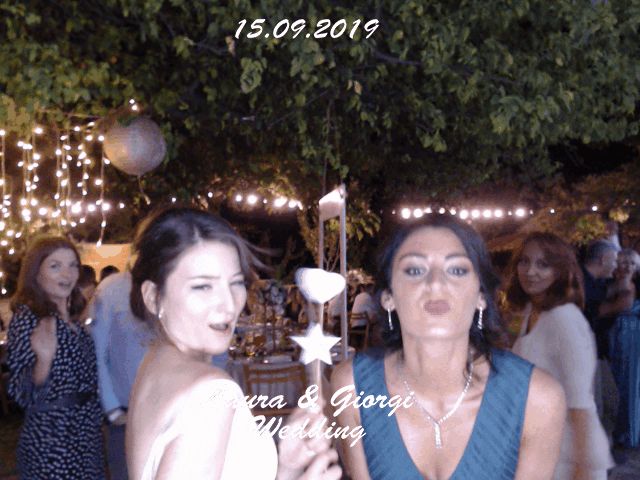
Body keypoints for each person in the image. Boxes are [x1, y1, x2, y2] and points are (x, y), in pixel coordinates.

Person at [330, 216, 565, 480]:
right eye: (414, 270)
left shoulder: (537, 398)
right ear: (388, 297)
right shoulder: (352, 386)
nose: (436, 283)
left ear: (481, 296)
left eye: (456, 270)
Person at [126, 206, 341, 480]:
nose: (229, 304)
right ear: (153, 296)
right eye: (203, 286)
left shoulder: (154, 363)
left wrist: (286, 468)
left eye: (236, 283)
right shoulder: (211, 392)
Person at [507, 232, 614, 479]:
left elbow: (581, 405)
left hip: (568, 454)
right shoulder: (532, 312)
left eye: (543, 264)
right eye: (524, 261)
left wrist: (582, 470)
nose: (530, 271)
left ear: (560, 270)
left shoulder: (563, 318)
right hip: (540, 447)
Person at [6, 236, 104, 479]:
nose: (67, 273)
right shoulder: (29, 318)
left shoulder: (74, 320)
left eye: (72, 265)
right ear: (36, 273)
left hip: (86, 433)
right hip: (53, 439)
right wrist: (44, 360)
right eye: (55, 266)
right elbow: (21, 393)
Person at [89, 270, 155, 480]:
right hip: (127, 415)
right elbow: (97, 352)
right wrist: (112, 410)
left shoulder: (177, 282)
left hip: (174, 411)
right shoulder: (112, 288)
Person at [606, 248, 640, 448]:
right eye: (624, 262)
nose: (627, 266)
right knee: (615, 382)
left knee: (632, 382)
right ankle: (618, 430)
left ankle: (631, 432)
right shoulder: (608, 285)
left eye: (632, 263)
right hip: (613, 336)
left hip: (635, 338)